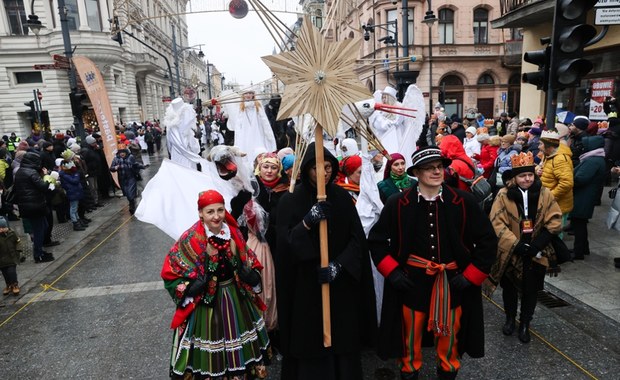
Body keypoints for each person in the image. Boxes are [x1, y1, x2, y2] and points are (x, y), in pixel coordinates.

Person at [368, 146, 497, 380]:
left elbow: (488, 241)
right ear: (416, 173)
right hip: (411, 284)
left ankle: (447, 372)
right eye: (429, 168)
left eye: (439, 167)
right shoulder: (398, 203)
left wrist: (470, 276)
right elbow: (376, 241)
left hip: (452, 283)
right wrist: (393, 272)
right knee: (409, 340)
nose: (437, 172)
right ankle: (409, 373)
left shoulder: (463, 201)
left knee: (450, 340)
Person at [276, 142, 376, 380]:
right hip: (305, 287)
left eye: (329, 166)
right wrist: (307, 223)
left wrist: (338, 265)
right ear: (307, 169)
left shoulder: (341, 197)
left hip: (339, 285)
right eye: (317, 167)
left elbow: (356, 241)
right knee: (310, 341)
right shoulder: (290, 201)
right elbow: (284, 244)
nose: (324, 172)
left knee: (341, 341)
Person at [161, 189, 270, 379]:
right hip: (206, 305)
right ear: (200, 213)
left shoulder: (234, 233)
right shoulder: (190, 239)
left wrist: (251, 275)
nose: (217, 216)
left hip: (236, 298)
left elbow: (250, 260)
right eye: (210, 211)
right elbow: (171, 272)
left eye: (220, 210)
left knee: (239, 350)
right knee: (211, 352)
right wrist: (190, 288)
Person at [485, 152, 562, 344]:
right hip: (511, 250)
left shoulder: (545, 193)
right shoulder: (503, 194)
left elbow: (554, 220)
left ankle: (526, 322)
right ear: (514, 178)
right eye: (522, 176)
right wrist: (517, 245)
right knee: (509, 288)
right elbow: (497, 223)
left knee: (531, 290)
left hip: (537, 250)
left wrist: (536, 244)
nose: (527, 179)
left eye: (530, 175)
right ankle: (510, 318)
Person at [13, 152, 55, 263]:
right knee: (39, 230)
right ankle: (38, 254)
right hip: (34, 205)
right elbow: (43, 186)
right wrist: (46, 176)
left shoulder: (20, 172)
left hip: (28, 205)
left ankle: (40, 250)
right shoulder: (31, 172)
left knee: (43, 226)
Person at [569, 136, 607, 259]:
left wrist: (568, 180)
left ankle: (578, 252)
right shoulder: (595, 158)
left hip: (584, 196)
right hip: (585, 195)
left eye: (585, 145)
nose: (582, 147)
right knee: (580, 223)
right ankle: (583, 249)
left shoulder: (593, 161)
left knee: (579, 223)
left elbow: (581, 178)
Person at [536, 131, 574, 231]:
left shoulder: (560, 159)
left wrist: (550, 197)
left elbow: (566, 183)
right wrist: (537, 169)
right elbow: (542, 167)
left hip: (558, 205)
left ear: (548, 146)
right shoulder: (547, 155)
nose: (538, 147)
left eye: (540, 144)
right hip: (548, 203)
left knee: (555, 234)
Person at [227, 89, 277, 162]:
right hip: (245, 133)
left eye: (250, 93)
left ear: (253, 95)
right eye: (246, 93)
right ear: (243, 95)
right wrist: (238, 139)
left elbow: (264, 121)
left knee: (259, 150)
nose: (248, 95)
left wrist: (268, 135)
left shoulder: (257, 106)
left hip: (258, 133)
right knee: (246, 151)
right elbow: (238, 124)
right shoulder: (240, 107)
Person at [109, 144, 144, 215]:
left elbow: (135, 164)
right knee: (127, 193)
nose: (122, 153)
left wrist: (142, 166)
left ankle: (132, 205)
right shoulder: (116, 159)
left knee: (131, 193)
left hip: (131, 178)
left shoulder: (130, 157)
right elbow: (111, 168)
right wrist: (116, 167)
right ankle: (131, 202)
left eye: (123, 152)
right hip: (122, 179)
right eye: (120, 152)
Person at [0, 216, 22, 296]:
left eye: (2, 227)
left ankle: (15, 284)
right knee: (5, 273)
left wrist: (18, 250)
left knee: (11, 272)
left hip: (12, 257)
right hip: (1, 260)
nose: (1, 230)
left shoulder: (12, 234)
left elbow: (18, 242)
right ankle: (8, 285)